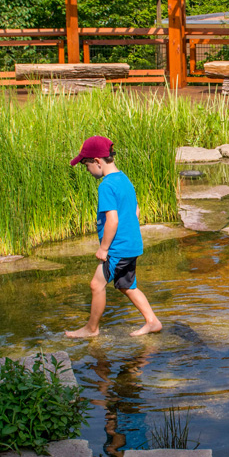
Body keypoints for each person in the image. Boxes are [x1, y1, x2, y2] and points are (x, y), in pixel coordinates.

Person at [65, 136, 161, 338]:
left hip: (118, 248)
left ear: (97, 161)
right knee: (127, 285)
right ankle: (152, 321)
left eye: (86, 165)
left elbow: (113, 220)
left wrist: (104, 248)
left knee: (96, 285)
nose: (87, 170)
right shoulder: (124, 179)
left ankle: (91, 329)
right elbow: (136, 211)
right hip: (132, 244)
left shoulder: (106, 186)